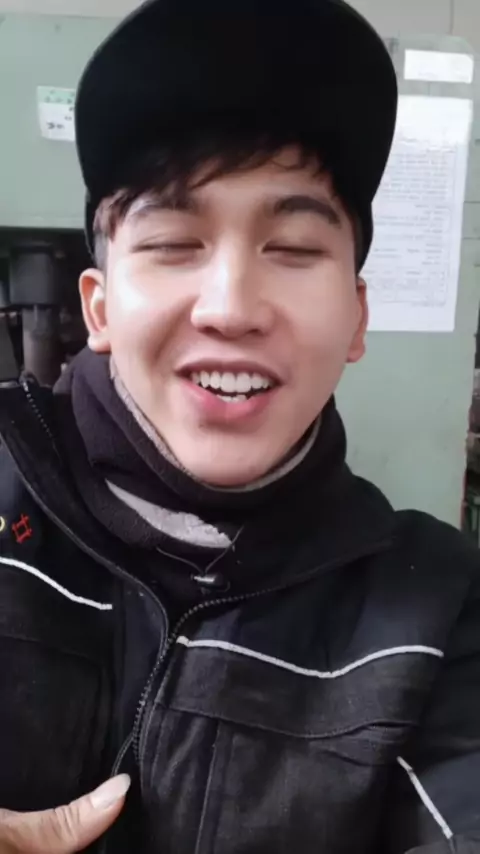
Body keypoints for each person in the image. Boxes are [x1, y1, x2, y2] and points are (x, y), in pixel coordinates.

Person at [0, 0, 479, 852]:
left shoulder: (439, 614)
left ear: (357, 316)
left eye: (293, 249)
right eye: (173, 243)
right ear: (99, 308)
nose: (231, 307)